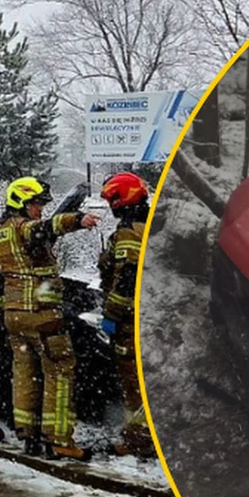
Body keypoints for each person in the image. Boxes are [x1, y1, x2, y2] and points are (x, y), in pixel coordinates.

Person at [0, 176, 100, 460]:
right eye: (35, 204)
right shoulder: (24, 227)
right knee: (61, 369)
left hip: (14, 315)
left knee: (24, 372)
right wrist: (77, 220)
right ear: (20, 203)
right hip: (40, 313)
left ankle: (29, 434)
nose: (39, 209)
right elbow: (45, 228)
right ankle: (59, 438)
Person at [98, 172, 155, 457]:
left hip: (129, 321)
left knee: (134, 384)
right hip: (145, 316)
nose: (111, 207)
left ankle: (140, 441)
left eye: (112, 201)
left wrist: (111, 313)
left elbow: (126, 280)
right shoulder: (148, 224)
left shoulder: (129, 232)